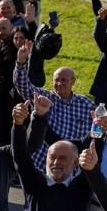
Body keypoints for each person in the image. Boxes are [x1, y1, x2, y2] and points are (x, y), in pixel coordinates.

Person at [12, 41, 94, 170]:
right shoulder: (45, 98)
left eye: (64, 80)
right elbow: (23, 85)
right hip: (43, 161)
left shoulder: (85, 104)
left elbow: (100, 123)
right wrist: (21, 62)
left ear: (73, 82)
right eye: (56, 79)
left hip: (72, 166)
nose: (59, 83)